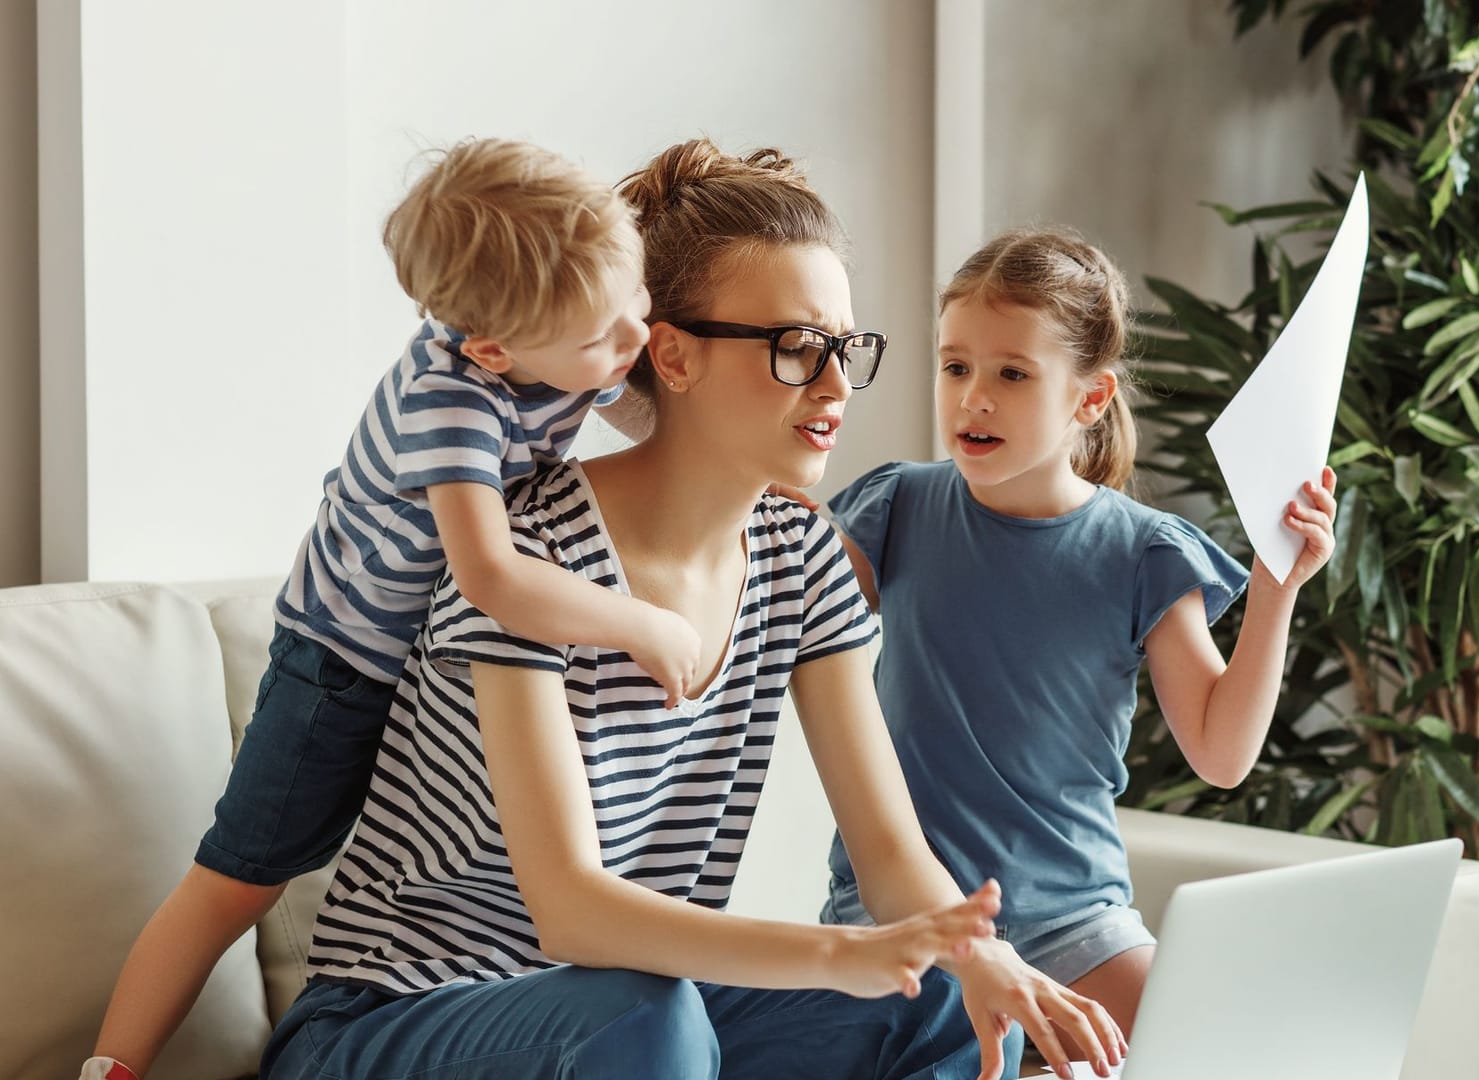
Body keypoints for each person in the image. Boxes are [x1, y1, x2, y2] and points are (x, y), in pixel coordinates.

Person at [254, 139, 1125, 1080]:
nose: (835, 386)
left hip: (634, 1018)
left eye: (845, 348)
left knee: (936, 1006)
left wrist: (980, 955)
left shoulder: (801, 559)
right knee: (645, 1011)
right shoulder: (528, 550)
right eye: (796, 348)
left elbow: (888, 855)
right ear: (670, 353)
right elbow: (572, 912)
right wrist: (839, 954)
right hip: (396, 1018)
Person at [83, 138, 704, 1080]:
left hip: (428, 663)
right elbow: (493, 576)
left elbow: (660, 419)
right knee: (238, 880)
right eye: (602, 338)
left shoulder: (565, 331)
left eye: (641, 308)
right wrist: (639, 621)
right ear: (493, 349)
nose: (631, 348)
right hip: (339, 666)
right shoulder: (446, 403)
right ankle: (111, 1065)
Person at [819, 226, 1339, 1036]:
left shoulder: (1145, 554)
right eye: (955, 366)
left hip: (1076, 924)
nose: (972, 398)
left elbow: (1221, 753)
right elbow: (770, 624)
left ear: (1089, 398)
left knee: (1208, 1045)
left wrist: (1277, 586)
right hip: (898, 916)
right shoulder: (894, 510)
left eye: (1012, 374)